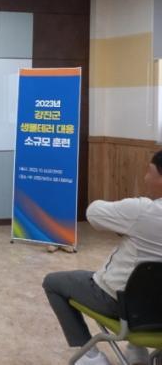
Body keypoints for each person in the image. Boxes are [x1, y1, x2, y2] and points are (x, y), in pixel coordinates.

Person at [43, 150, 162, 365]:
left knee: (53, 282)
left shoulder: (143, 210)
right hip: (158, 310)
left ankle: (90, 357)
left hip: (120, 304)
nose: (145, 177)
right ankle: (137, 351)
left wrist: (124, 222)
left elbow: (93, 212)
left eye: (149, 171)